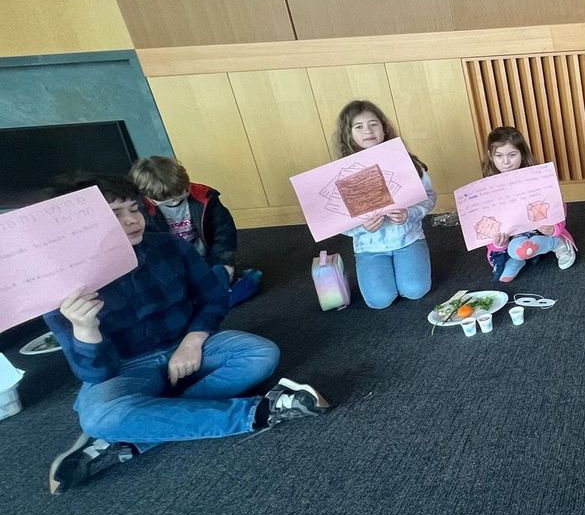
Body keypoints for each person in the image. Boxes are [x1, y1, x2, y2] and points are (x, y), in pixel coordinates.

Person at [42, 174, 330, 494]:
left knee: (261, 353)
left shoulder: (167, 246)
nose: (131, 220)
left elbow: (213, 296)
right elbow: (95, 372)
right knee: (99, 416)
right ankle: (263, 410)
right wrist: (86, 329)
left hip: (188, 344)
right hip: (125, 368)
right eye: (115, 214)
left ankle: (135, 434)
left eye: (133, 209)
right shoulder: (62, 287)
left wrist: (193, 341)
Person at [335, 100, 437, 310]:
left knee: (415, 290)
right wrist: (361, 227)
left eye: (373, 124)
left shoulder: (406, 162)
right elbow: (337, 220)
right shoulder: (342, 172)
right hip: (369, 248)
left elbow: (429, 196)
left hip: (408, 239)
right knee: (379, 301)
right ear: (348, 133)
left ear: (383, 128)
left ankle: (408, 266)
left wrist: (409, 213)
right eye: (359, 127)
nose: (368, 131)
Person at [131, 155, 262, 307]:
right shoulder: (141, 211)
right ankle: (214, 297)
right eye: (166, 201)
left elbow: (224, 233)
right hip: (173, 267)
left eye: (181, 194)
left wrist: (225, 263)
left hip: (204, 261)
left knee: (229, 276)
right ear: (147, 196)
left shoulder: (205, 197)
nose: (175, 202)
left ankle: (210, 297)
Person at [477, 126, 577, 282]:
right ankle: (518, 258)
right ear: (490, 156)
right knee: (514, 251)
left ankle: (557, 243)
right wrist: (498, 245)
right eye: (499, 155)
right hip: (512, 238)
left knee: (522, 249)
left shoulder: (538, 178)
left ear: (522, 154)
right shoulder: (488, 187)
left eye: (512, 154)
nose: (506, 162)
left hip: (540, 231)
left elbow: (557, 207)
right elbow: (488, 225)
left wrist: (553, 229)